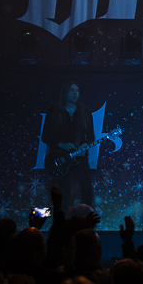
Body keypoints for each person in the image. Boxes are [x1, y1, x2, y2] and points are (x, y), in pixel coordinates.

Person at [41, 81, 94, 211]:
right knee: (63, 192)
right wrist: (62, 145)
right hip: (60, 157)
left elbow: (91, 137)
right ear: (65, 93)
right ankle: (62, 219)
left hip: (79, 157)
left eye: (77, 90)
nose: (75, 93)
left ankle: (86, 217)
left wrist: (84, 146)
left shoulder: (85, 112)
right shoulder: (54, 111)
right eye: (72, 90)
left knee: (87, 189)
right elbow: (45, 137)